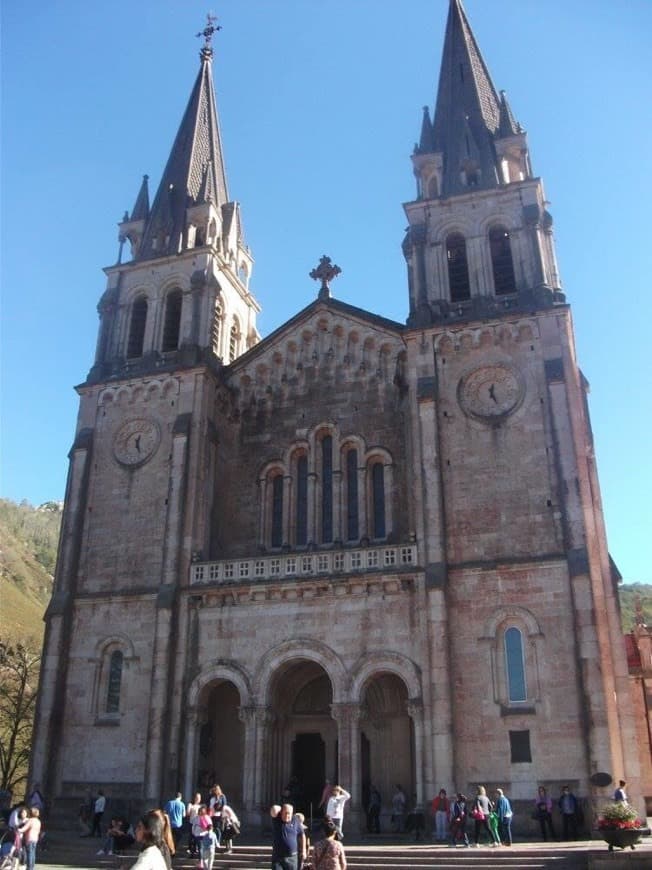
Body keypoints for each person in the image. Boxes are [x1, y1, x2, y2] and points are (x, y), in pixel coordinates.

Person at [270, 803, 307, 870]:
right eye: (285, 813)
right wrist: (279, 808)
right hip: (278, 857)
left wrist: (303, 850)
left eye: (289, 813)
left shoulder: (295, 820)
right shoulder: (277, 819)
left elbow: (302, 834)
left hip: (292, 857)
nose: (287, 815)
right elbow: (274, 810)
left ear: (292, 813)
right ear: (281, 812)